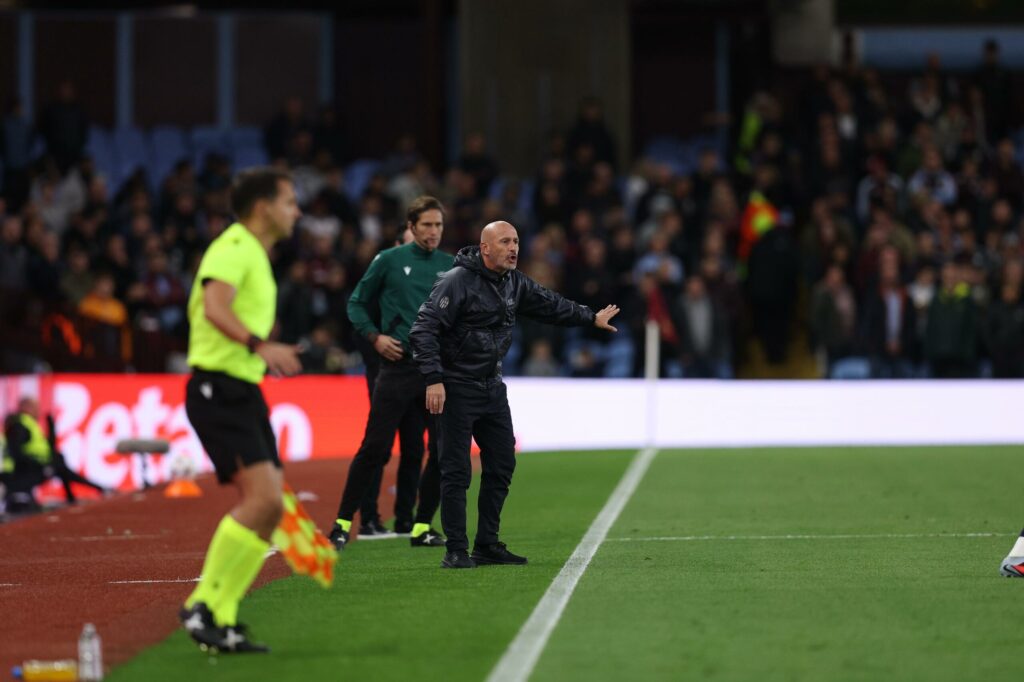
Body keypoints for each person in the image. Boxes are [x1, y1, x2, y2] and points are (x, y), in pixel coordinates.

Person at [410, 221, 619, 569]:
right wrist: (434, 379)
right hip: (457, 388)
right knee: (456, 470)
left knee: (502, 464)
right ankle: (456, 550)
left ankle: (487, 545)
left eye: (516, 241)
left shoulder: (514, 282)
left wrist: (589, 317)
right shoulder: (455, 282)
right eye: (505, 241)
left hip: (492, 387)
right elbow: (423, 329)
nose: (513, 248)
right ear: (485, 247)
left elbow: (550, 304)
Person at [177, 168, 302, 654]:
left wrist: (265, 350)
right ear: (262, 206)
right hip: (217, 387)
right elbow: (214, 306)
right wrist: (258, 345)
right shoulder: (232, 246)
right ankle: (202, 604)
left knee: (270, 507)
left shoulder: (256, 254)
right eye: (289, 201)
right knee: (262, 500)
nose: (295, 210)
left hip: (241, 388)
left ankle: (221, 618)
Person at [327, 197, 454, 550]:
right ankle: (340, 525)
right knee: (374, 449)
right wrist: (375, 337)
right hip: (396, 370)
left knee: (442, 452)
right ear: (411, 226)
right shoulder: (389, 260)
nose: (433, 232)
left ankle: (421, 526)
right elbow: (355, 303)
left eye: (438, 225)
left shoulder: (451, 266)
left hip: (434, 373)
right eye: (427, 225)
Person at [1, 396, 108, 512]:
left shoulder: (29, 424)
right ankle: (85, 493)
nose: (38, 411)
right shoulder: (21, 425)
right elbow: (15, 452)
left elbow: (48, 450)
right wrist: (38, 464)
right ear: (26, 408)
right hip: (17, 472)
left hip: (28, 468)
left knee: (58, 460)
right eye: (35, 407)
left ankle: (76, 496)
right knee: (57, 464)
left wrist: (51, 428)